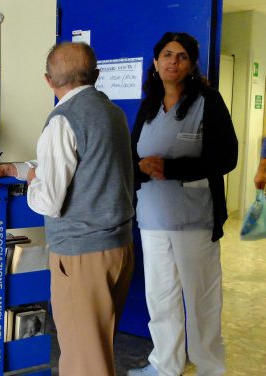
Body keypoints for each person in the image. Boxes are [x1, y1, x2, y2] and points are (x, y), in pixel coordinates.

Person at [0, 42, 134, 376]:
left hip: (81, 255)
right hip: (118, 248)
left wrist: (32, 180)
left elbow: (47, 200)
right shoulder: (113, 113)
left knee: (83, 362)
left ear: (48, 80)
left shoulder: (62, 121)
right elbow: (81, 165)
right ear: (96, 74)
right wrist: (14, 169)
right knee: (97, 349)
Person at [128, 32, 238, 376]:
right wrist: (140, 167)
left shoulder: (208, 100)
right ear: (156, 62)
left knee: (202, 301)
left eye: (181, 57)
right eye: (166, 55)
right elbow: (132, 156)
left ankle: (209, 368)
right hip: (152, 218)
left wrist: (173, 168)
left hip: (195, 220)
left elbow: (227, 157)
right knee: (160, 299)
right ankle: (165, 365)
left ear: (191, 66)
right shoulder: (148, 105)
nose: (173, 62)